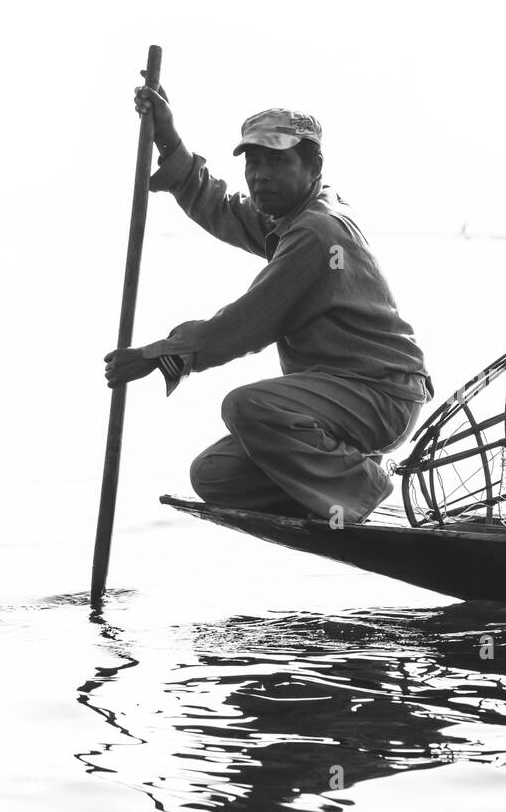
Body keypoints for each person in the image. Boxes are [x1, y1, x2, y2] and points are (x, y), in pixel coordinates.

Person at [104, 82, 433, 523]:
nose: (260, 174)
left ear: (312, 162)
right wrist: (167, 136)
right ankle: (332, 496)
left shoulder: (319, 232)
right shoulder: (292, 217)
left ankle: (362, 484)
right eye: (253, 162)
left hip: (381, 393)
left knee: (247, 405)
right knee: (215, 475)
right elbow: (220, 207)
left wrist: (154, 356)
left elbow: (243, 325)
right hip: (342, 394)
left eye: (276, 160)